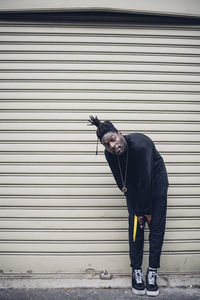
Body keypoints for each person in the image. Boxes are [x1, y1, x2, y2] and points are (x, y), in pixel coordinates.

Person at [88, 115, 169, 297]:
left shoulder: (141, 145)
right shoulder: (109, 154)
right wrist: (137, 212)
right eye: (106, 144)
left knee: (155, 228)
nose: (111, 146)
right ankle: (137, 272)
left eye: (113, 139)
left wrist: (146, 211)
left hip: (155, 186)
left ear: (120, 134)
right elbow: (122, 183)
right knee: (135, 227)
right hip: (132, 188)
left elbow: (146, 179)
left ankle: (152, 271)